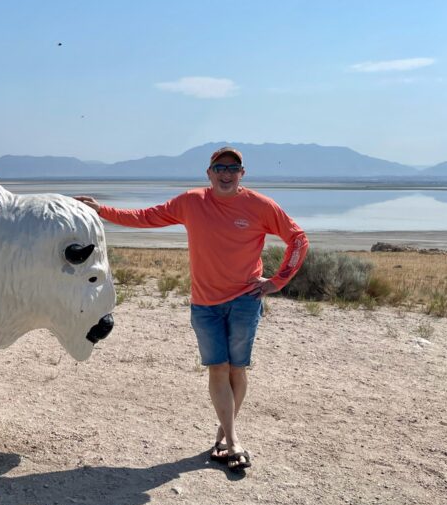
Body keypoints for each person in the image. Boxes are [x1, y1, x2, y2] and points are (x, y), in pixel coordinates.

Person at [75, 146, 307, 473]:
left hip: (245, 299)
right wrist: (102, 211)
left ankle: (225, 436)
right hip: (205, 303)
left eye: (233, 168)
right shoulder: (191, 202)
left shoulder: (260, 206)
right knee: (218, 368)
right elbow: (145, 217)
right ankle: (232, 440)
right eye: (219, 168)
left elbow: (297, 239)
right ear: (209, 173)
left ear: (242, 173)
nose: (226, 174)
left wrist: (278, 281)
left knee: (236, 370)